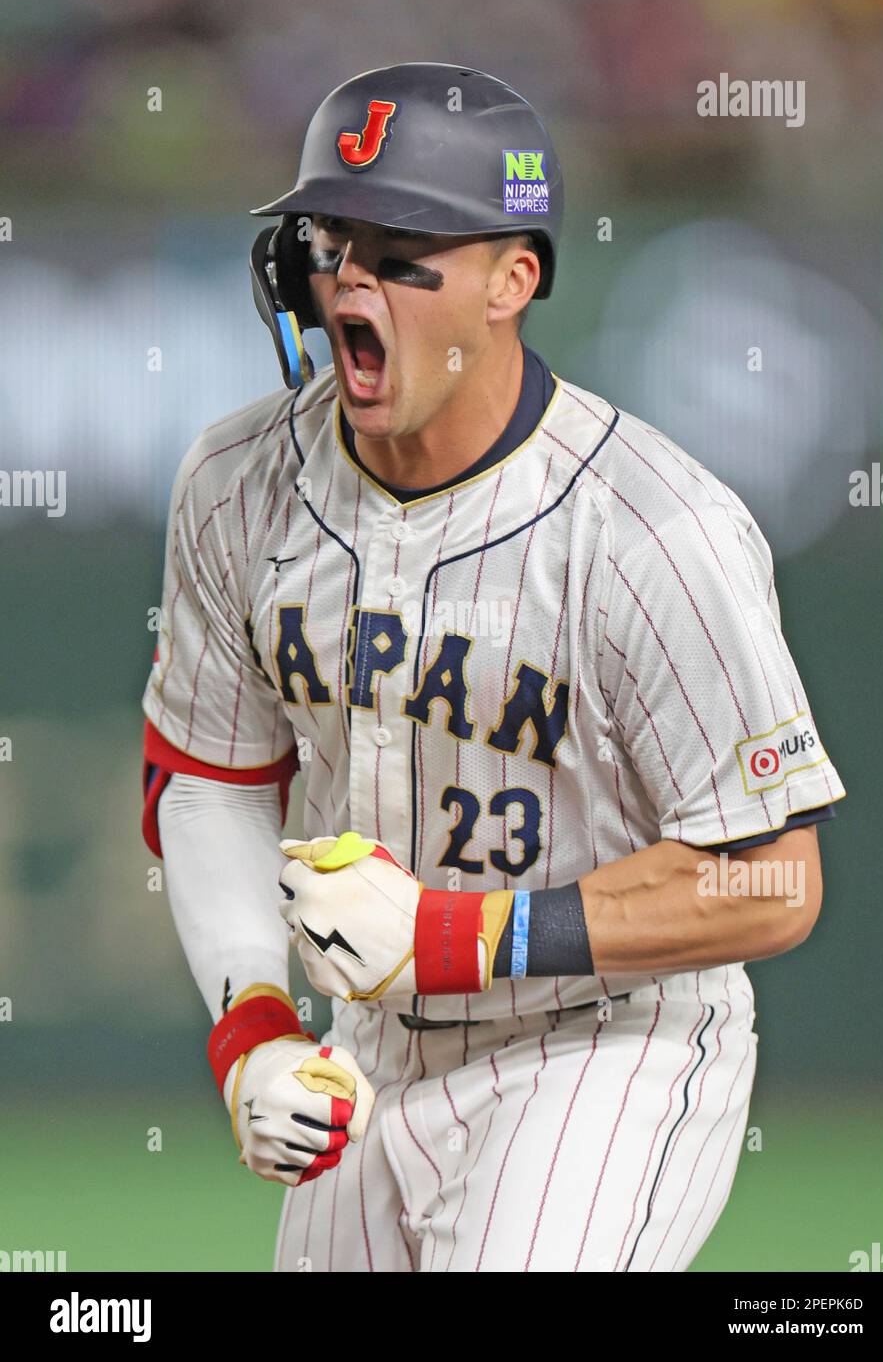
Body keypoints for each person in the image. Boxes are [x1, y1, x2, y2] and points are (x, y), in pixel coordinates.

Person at [142, 61, 845, 1273]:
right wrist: (253, 1025)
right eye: (330, 239)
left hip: (603, 1045)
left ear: (511, 281)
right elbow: (208, 777)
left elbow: (772, 880)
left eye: (403, 245)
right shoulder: (237, 481)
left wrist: (455, 933)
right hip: (374, 1051)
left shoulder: (652, 530)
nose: (350, 277)